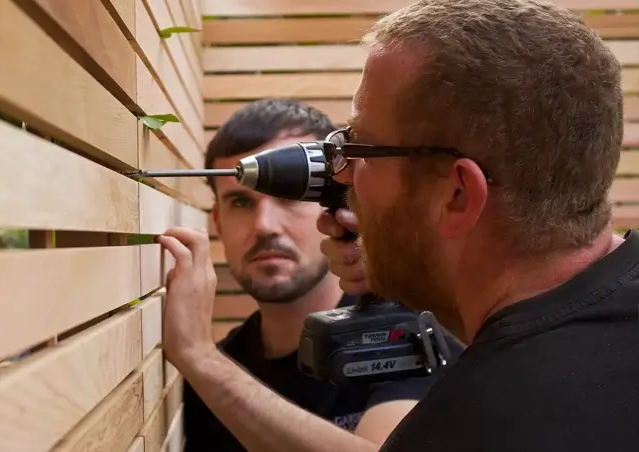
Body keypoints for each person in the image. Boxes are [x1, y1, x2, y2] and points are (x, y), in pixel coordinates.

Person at [310, 0, 639, 451]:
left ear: (458, 196)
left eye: (363, 148)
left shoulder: (461, 432)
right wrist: (419, 261)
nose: (344, 173)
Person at [156, 99, 463, 452]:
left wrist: (200, 358)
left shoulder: (408, 333)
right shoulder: (216, 371)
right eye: (241, 203)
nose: (265, 226)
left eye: (288, 197)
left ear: (341, 203)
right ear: (217, 223)